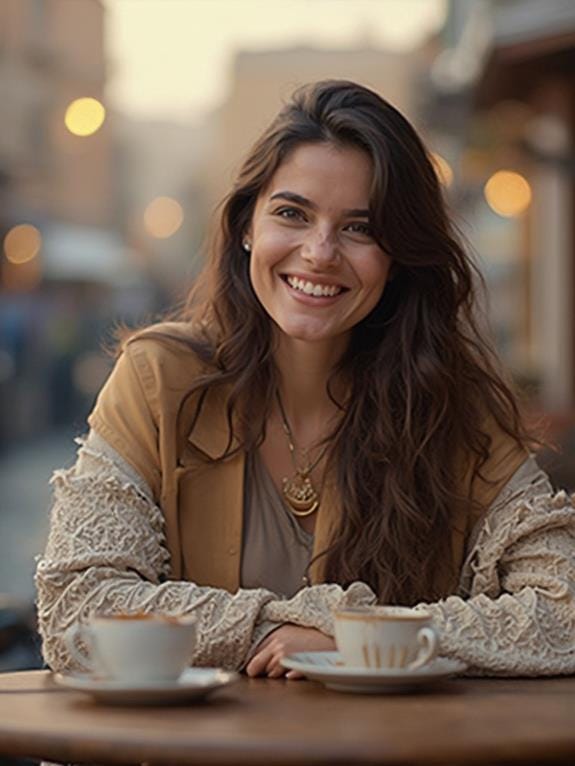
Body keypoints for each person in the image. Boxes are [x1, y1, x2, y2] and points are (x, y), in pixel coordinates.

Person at [36, 80, 575, 678]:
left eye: (360, 228)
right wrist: (281, 630)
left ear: (396, 260)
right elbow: (76, 609)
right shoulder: (159, 379)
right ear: (247, 227)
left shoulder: (452, 404)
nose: (320, 252)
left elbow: (565, 613)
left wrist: (354, 641)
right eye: (292, 213)